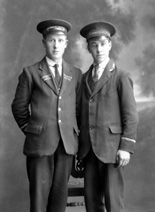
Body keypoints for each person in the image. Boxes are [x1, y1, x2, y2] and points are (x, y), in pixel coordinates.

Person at [11, 19, 82, 212]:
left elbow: (77, 108)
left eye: (60, 40)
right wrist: (31, 130)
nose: (56, 45)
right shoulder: (31, 72)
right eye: (52, 40)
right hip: (40, 145)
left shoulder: (75, 74)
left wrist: (74, 132)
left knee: (59, 201)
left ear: (66, 43)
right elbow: (19, 107)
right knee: (39, 201)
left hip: (66, 147)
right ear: (44, 42)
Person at [78, 21, 139, 212]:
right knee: (92, 201)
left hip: (112, 150)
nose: (99, 49)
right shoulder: (84, 78)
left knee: (113, 201)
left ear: (110, 45)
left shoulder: (121, 76)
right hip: (89, 151)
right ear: (89, 48)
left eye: (103, 44)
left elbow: (131, 115)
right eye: (94, 45)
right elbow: (80, 113)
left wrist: (126, 147)